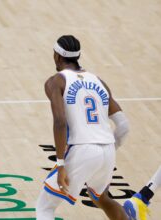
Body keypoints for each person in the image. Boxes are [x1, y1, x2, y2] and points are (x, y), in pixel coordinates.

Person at [36, 35, 130, 220]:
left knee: (44, 207)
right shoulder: (99, 82)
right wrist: (109, 147)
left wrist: (61, 164)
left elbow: (60, 122)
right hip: (108, 151)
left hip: (82, 150)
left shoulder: (56, 82)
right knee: (101, 198)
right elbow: (124, 126)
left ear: (57, 56)